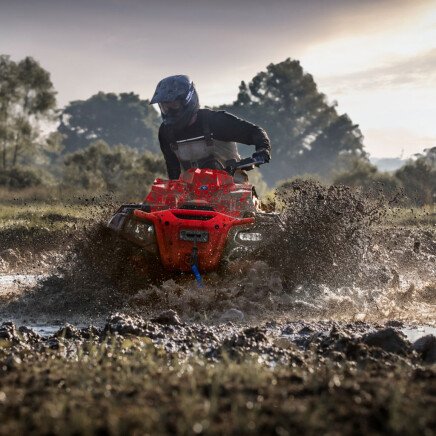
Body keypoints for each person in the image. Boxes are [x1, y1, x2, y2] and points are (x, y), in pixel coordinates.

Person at [150, 75, 271, 182]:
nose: (169, 111)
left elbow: (255, 132)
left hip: (234, 188)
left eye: (174, 105)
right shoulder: (166, 132)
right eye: (165, 107)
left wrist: (263, 149)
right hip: (193, 192)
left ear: (188, 101)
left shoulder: (216, 121)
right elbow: (173, 169)